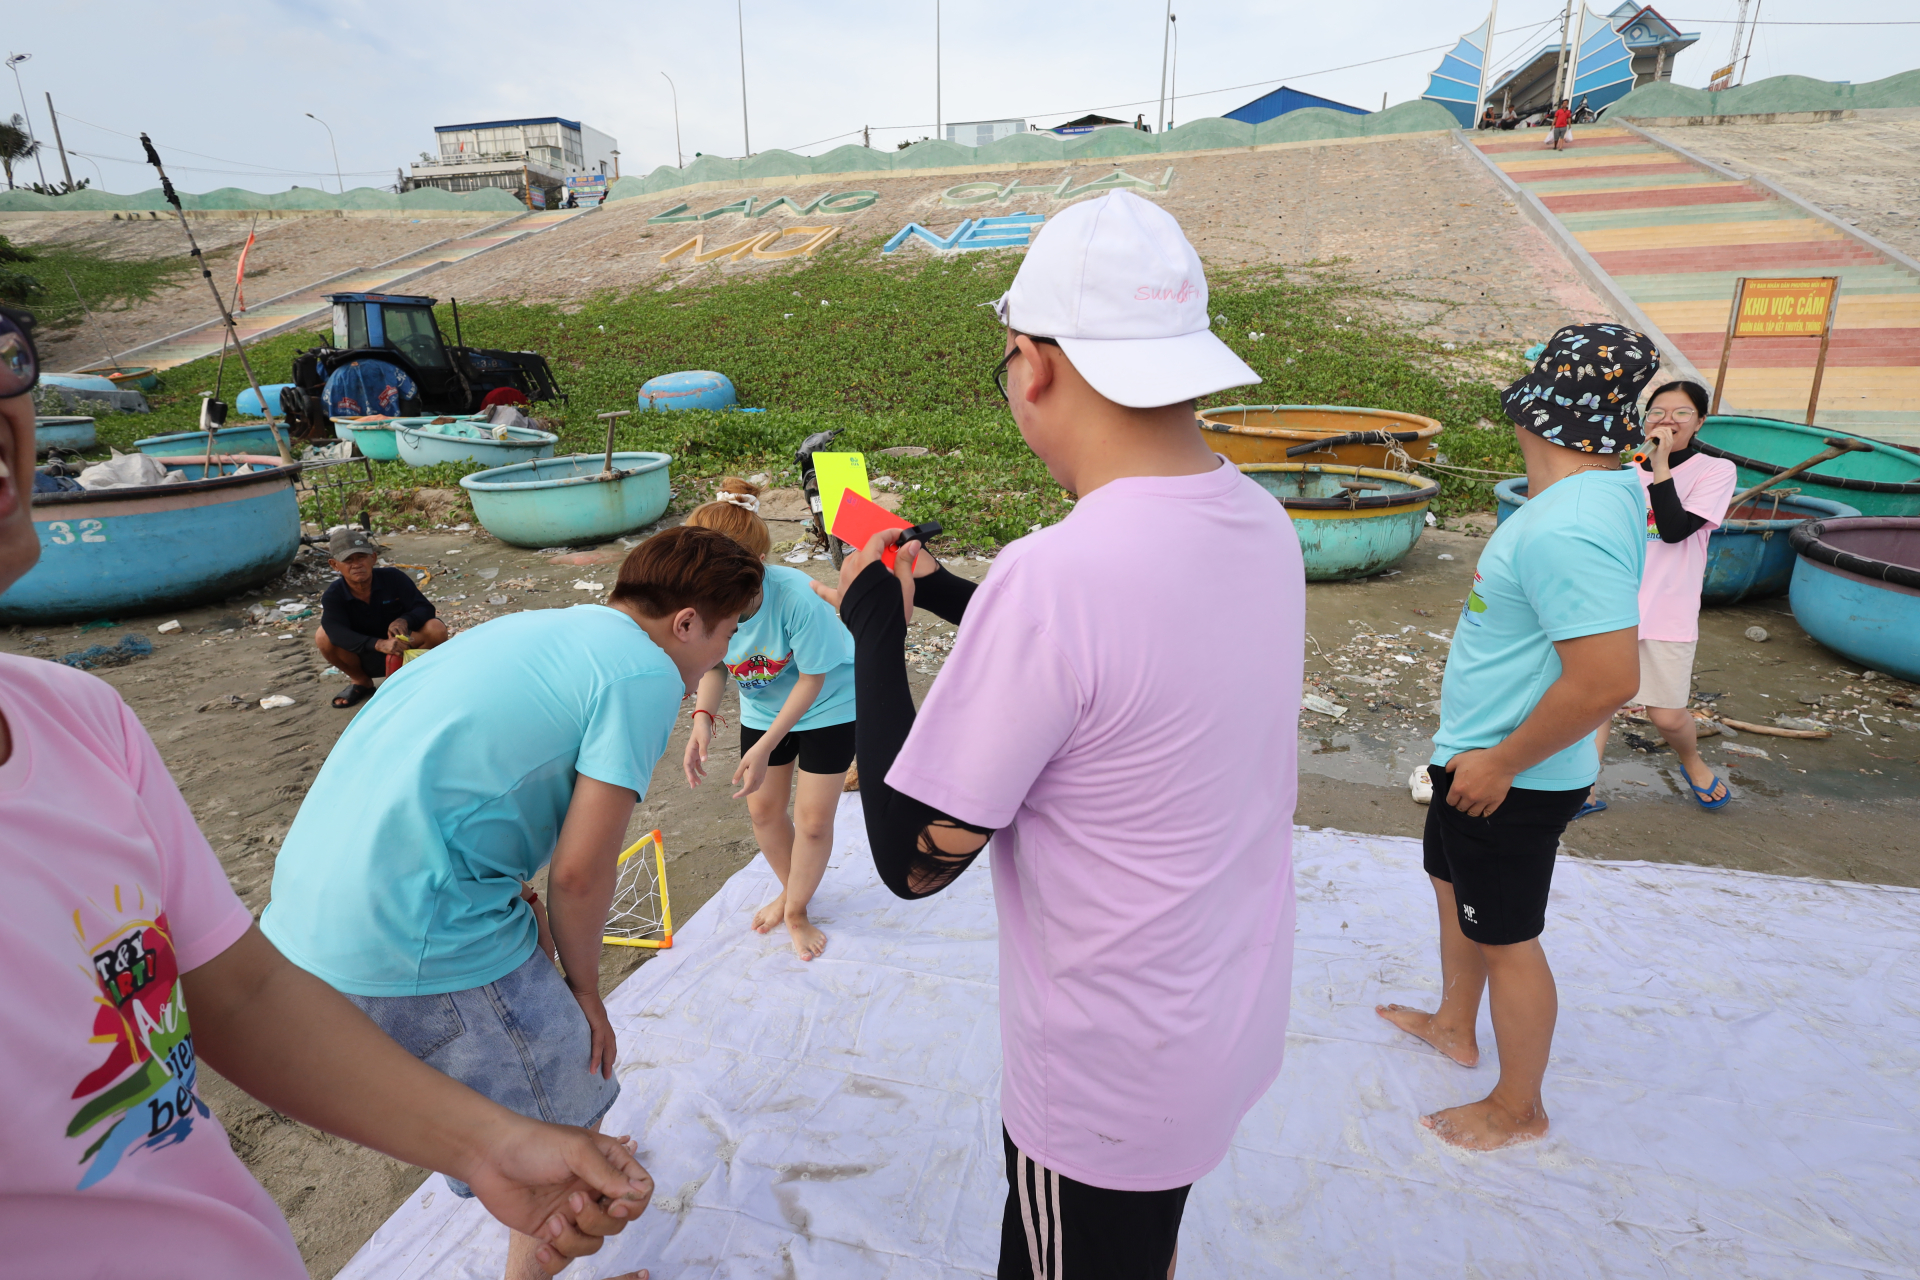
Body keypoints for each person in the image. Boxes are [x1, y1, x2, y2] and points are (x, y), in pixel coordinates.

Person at [0, 304, 652, 1280]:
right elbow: (583, 868)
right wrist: (580, 989)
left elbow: (245, 991)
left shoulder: (81, 721)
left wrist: (489, 1143)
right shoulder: (621, 669)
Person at [822, 190, 1304, 1276]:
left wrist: (873, 621)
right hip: (1219, 1018)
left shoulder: (1055, 577)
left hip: (1104, 1086)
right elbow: (1122, 665)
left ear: (1033, 366)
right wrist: (951, 590)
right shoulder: (1259, 522)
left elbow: (911, 859)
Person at [263, 524, 763, 1280]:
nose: (722, 655)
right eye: (726, 634)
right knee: (566, 1122)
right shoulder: (644, 674)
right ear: (687, 623)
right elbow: (581, 875)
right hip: (414, 935)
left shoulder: (538, 627)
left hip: (302, 920)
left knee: (539, 1102)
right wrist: (585, 992)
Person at [1376, 324, 1655, 1151]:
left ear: (1536, 410)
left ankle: (1518, 1107)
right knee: (1449, 884)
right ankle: (1453, 1025)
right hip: (1476, 753)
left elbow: (1607, 680)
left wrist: (1500, 763)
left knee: (1507, 938)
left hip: (1511, 773)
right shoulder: (1593, 492)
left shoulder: (1568, 527)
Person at [682, 477, 856, 962]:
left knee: (813, 821)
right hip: (763, 706)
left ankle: (796, 911)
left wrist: (764, 747)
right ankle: (792, 889)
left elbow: (813, 680)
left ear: (757, 565)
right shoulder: (703, 597)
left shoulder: (797, 596)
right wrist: (702, 717)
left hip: (829, 703)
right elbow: (714, 664)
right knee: (763, 810)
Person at [1586, 379, 1738, 815]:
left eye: (1681, 413)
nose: (1667, 421)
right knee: (1595, 704)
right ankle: (1583, 789)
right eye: (1657, 412)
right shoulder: (1622, 472)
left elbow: (1673, 530)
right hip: (1612, 604)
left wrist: (1660, 465)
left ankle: (1692, 761)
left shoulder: (1715, 471)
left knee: (1666, 715)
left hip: (1668, 609)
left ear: (1700, 421)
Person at [315, 526, 448, 708]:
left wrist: (405, 620)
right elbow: (336, 632)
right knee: (322, 635)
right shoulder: (333, 595)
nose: (356, 564)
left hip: (402, 649)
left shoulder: (393, 578)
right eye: (348, 560)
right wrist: (378, 644)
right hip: (363, 655)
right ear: (334, 565)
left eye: (361, 557)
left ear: (373, 558)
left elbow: (424, 608)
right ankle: (361, 682)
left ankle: (410, 676)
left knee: (435, 628)